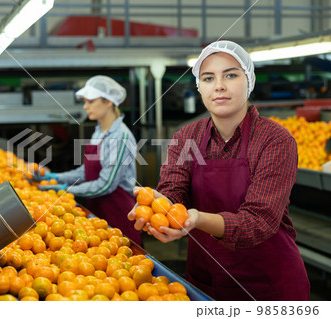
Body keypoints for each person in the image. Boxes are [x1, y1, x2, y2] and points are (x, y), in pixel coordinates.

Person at [128, 40, 310, 301]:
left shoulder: (275, 139)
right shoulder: (186, 136)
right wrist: (159, 207)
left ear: (249, 81)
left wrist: (196, 219)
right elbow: (173, 191)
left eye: (231, 75)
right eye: (208, 78)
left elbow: (260, 221)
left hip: (268, 282)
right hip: (206, 277)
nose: (219, 86)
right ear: (199, 87)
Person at [38, 75, 142, 245]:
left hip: (119, 212)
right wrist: (55, 177)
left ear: (108, 102)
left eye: (90, 102)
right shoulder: (98, 132)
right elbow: (86, 171)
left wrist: (66, 190)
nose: (85, 107)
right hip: (98, 209)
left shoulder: (120, 137)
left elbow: (106, 184)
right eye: (85, 102)